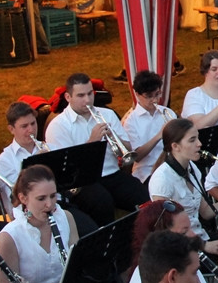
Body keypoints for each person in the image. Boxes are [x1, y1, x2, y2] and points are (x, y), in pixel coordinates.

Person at [44, 72, 149, 227]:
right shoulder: (58, 126)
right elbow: (67, 171)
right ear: (68, 97)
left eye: (90, 94)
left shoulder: (107, 114)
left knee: (143, 196)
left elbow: (127, 149)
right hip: (83, 182)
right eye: (80, 96)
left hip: (112, 174)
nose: (87, 100)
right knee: (102, 201)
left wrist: (116, 141)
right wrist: (92, 142)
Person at [148, 118, 218, 253]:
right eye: (192, 140)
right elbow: (168, 230)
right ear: (175, 146)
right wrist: (204, 246)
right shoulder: (162, 180)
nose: (199, 144)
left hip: (200, 238)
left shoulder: (192, 168)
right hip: (181, 249)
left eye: (198, 138)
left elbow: (206, 212)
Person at [122, 70, 177, 183]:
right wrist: (159, 136)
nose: (154, 100)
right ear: (137, 94)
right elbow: (137, 156)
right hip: (147, 172)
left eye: (157, 94)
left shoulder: (168, 112)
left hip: (172, 166)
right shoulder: (131, 122)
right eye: (149, 96)